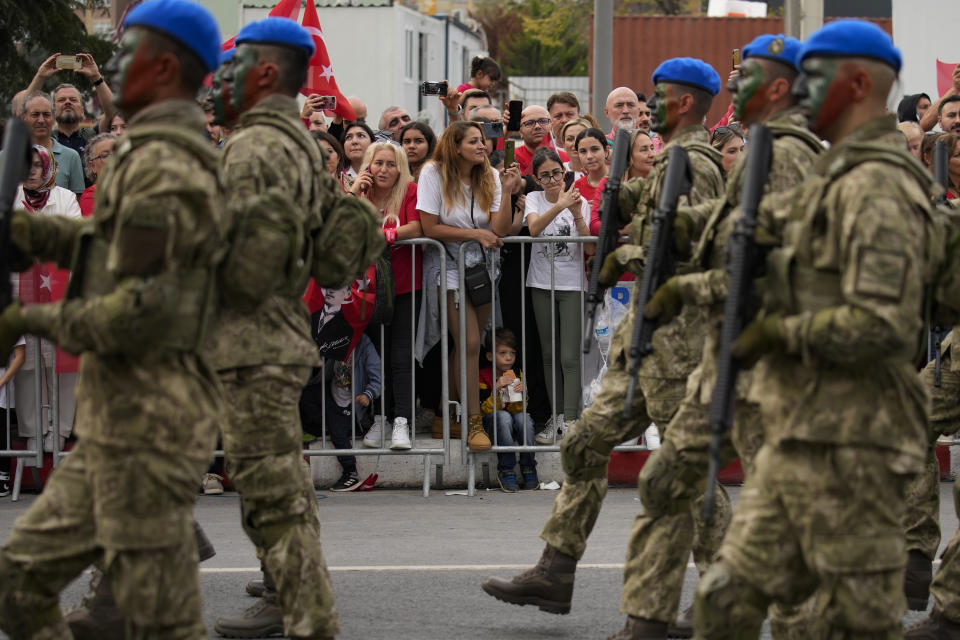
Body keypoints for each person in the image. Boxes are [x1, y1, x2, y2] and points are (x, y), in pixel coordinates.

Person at [690, 20, 942, 639]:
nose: (798, 94)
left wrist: (772, 333)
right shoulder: (837, 172)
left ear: (858, 84)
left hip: (854, 438)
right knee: (727, 603)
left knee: (842, 621)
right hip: (807, 424)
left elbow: (880, 325)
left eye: (815, 79)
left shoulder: (877, 183)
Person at [0, 2, 227, 638]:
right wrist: (31, 230)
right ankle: (115, 602)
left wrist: (33, 320)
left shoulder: (167, 159)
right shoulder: (149, 146)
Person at [480, 56, 725, 622]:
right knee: (582, 444)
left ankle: (723, 592)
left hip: (675, 341)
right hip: (648, 339)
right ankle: (556, 569)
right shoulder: (671, 163)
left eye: (659, 97)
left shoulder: (693, 162)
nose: (648, 106)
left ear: (684, 102)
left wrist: (628, 247)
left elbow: (693, 245)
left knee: (685, 474)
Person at [615, 34, 823, 639]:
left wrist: (685, 287)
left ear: (779, 87)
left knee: (769, 500)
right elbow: (734, 225)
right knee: (670, 477)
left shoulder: (784, 154)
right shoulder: (761, 148)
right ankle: (652, 617)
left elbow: (763, 257)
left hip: (760, 349)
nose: (735, 88)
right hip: (729, 347)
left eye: (748, 77)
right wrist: (665, 229)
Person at [206, 17, 382, 640]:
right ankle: (287, 588)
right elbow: (334, 257)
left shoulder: (257, 149)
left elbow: (243, 259)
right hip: (272, 333)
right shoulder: (300, 145)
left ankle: (302, 608)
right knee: (272, 473)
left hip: (249, 335)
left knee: (269, 477)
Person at [418, 120, 521, 451]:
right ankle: (473, 423)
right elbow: (430, 226)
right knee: (471, 342)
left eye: (484, 141)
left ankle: (443, 418)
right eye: (474, 141)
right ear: (456, 145)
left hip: (482, 271)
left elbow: (500, 229)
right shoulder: (433, 173)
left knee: (465, 346)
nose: (483, 146)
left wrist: (506, 190)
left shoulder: (489, 173)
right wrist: (475, 234)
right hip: (446, 267)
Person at [348, 142, 422, 450]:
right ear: (368, 164)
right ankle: (379, 420)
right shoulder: (359, 192)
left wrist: (384, 235)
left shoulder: (409, 190)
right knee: (374, 356)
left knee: (400, 356)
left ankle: (401, 421)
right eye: (378, 163)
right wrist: (353, 190)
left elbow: (417, 226)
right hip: (365, 288)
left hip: (404, 286)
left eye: (391, 164)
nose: (383, 169)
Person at [12, 145, 82, 455]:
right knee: (27, 366)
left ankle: (60, 430)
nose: (31, 170)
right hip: (18, 296)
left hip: (57, 291)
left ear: (48, 167)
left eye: (37, 165)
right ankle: (33, 432)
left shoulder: (65, 198)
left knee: (60, 365)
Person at [523, 148, 591, 445]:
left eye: (556, 173)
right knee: (549, 355)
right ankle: (557, 416)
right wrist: (559, 203)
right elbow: (534, 228)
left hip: (572, 284)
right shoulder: (535, 199)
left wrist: (575, 213)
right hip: (540, 283)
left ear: (564, 172)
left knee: (569, 356)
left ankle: (572, 417)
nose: (552, 180)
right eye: (545, 175)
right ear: (536, 179)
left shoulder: (580, 200)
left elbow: (589, 248)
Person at [300, 327, 381, 492]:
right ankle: (319, 427)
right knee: (304, 395)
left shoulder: (365, 345)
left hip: (351, 403)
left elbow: (378, 379)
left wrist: (368, 394)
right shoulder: (335, 339)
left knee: (338, 434)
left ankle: (351, 473)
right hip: (331, 393)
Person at [479, 328, 538, 492]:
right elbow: (483, 409)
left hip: (512, 418)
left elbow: (520, 409)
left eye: (512, 353)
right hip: (493, 421)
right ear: (490, 356)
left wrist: (521, 394)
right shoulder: (483, 375)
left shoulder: (517, 373)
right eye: (503, 353)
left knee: (524, 419)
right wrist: (497, 391)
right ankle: (506, 469)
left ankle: (528, 467)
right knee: (503, 417)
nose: (508, 357)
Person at [18, 92, 85, 194]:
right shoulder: (6, 156)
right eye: (35, 115)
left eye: (46, 115)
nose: (41, 120)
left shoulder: (71, 157)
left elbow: (76, 202)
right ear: (24, 118)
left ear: (54, 118)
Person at [0, 337, 25, 498]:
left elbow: (20, 356)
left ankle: (3, 477)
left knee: (2, 432)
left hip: (2, 392)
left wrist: (1, 382)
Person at [574, 128, 610, 233]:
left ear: (606, 151)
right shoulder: (575, 188)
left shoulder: (622, 182)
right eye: (583, 151)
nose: (589, 156)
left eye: (595, 149)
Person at [514, 104, 553, 176]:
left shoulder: (564, 157)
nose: (537, 126)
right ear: (520, 132)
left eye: (543, 121)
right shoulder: (512, 158)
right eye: (530, 123)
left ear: (551, 126)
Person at [339, 120, 375, 186]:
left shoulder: (381, 173)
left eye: (361, 136)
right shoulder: (336, 176)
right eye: (348, 137)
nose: (354, 141)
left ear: (372, 143)